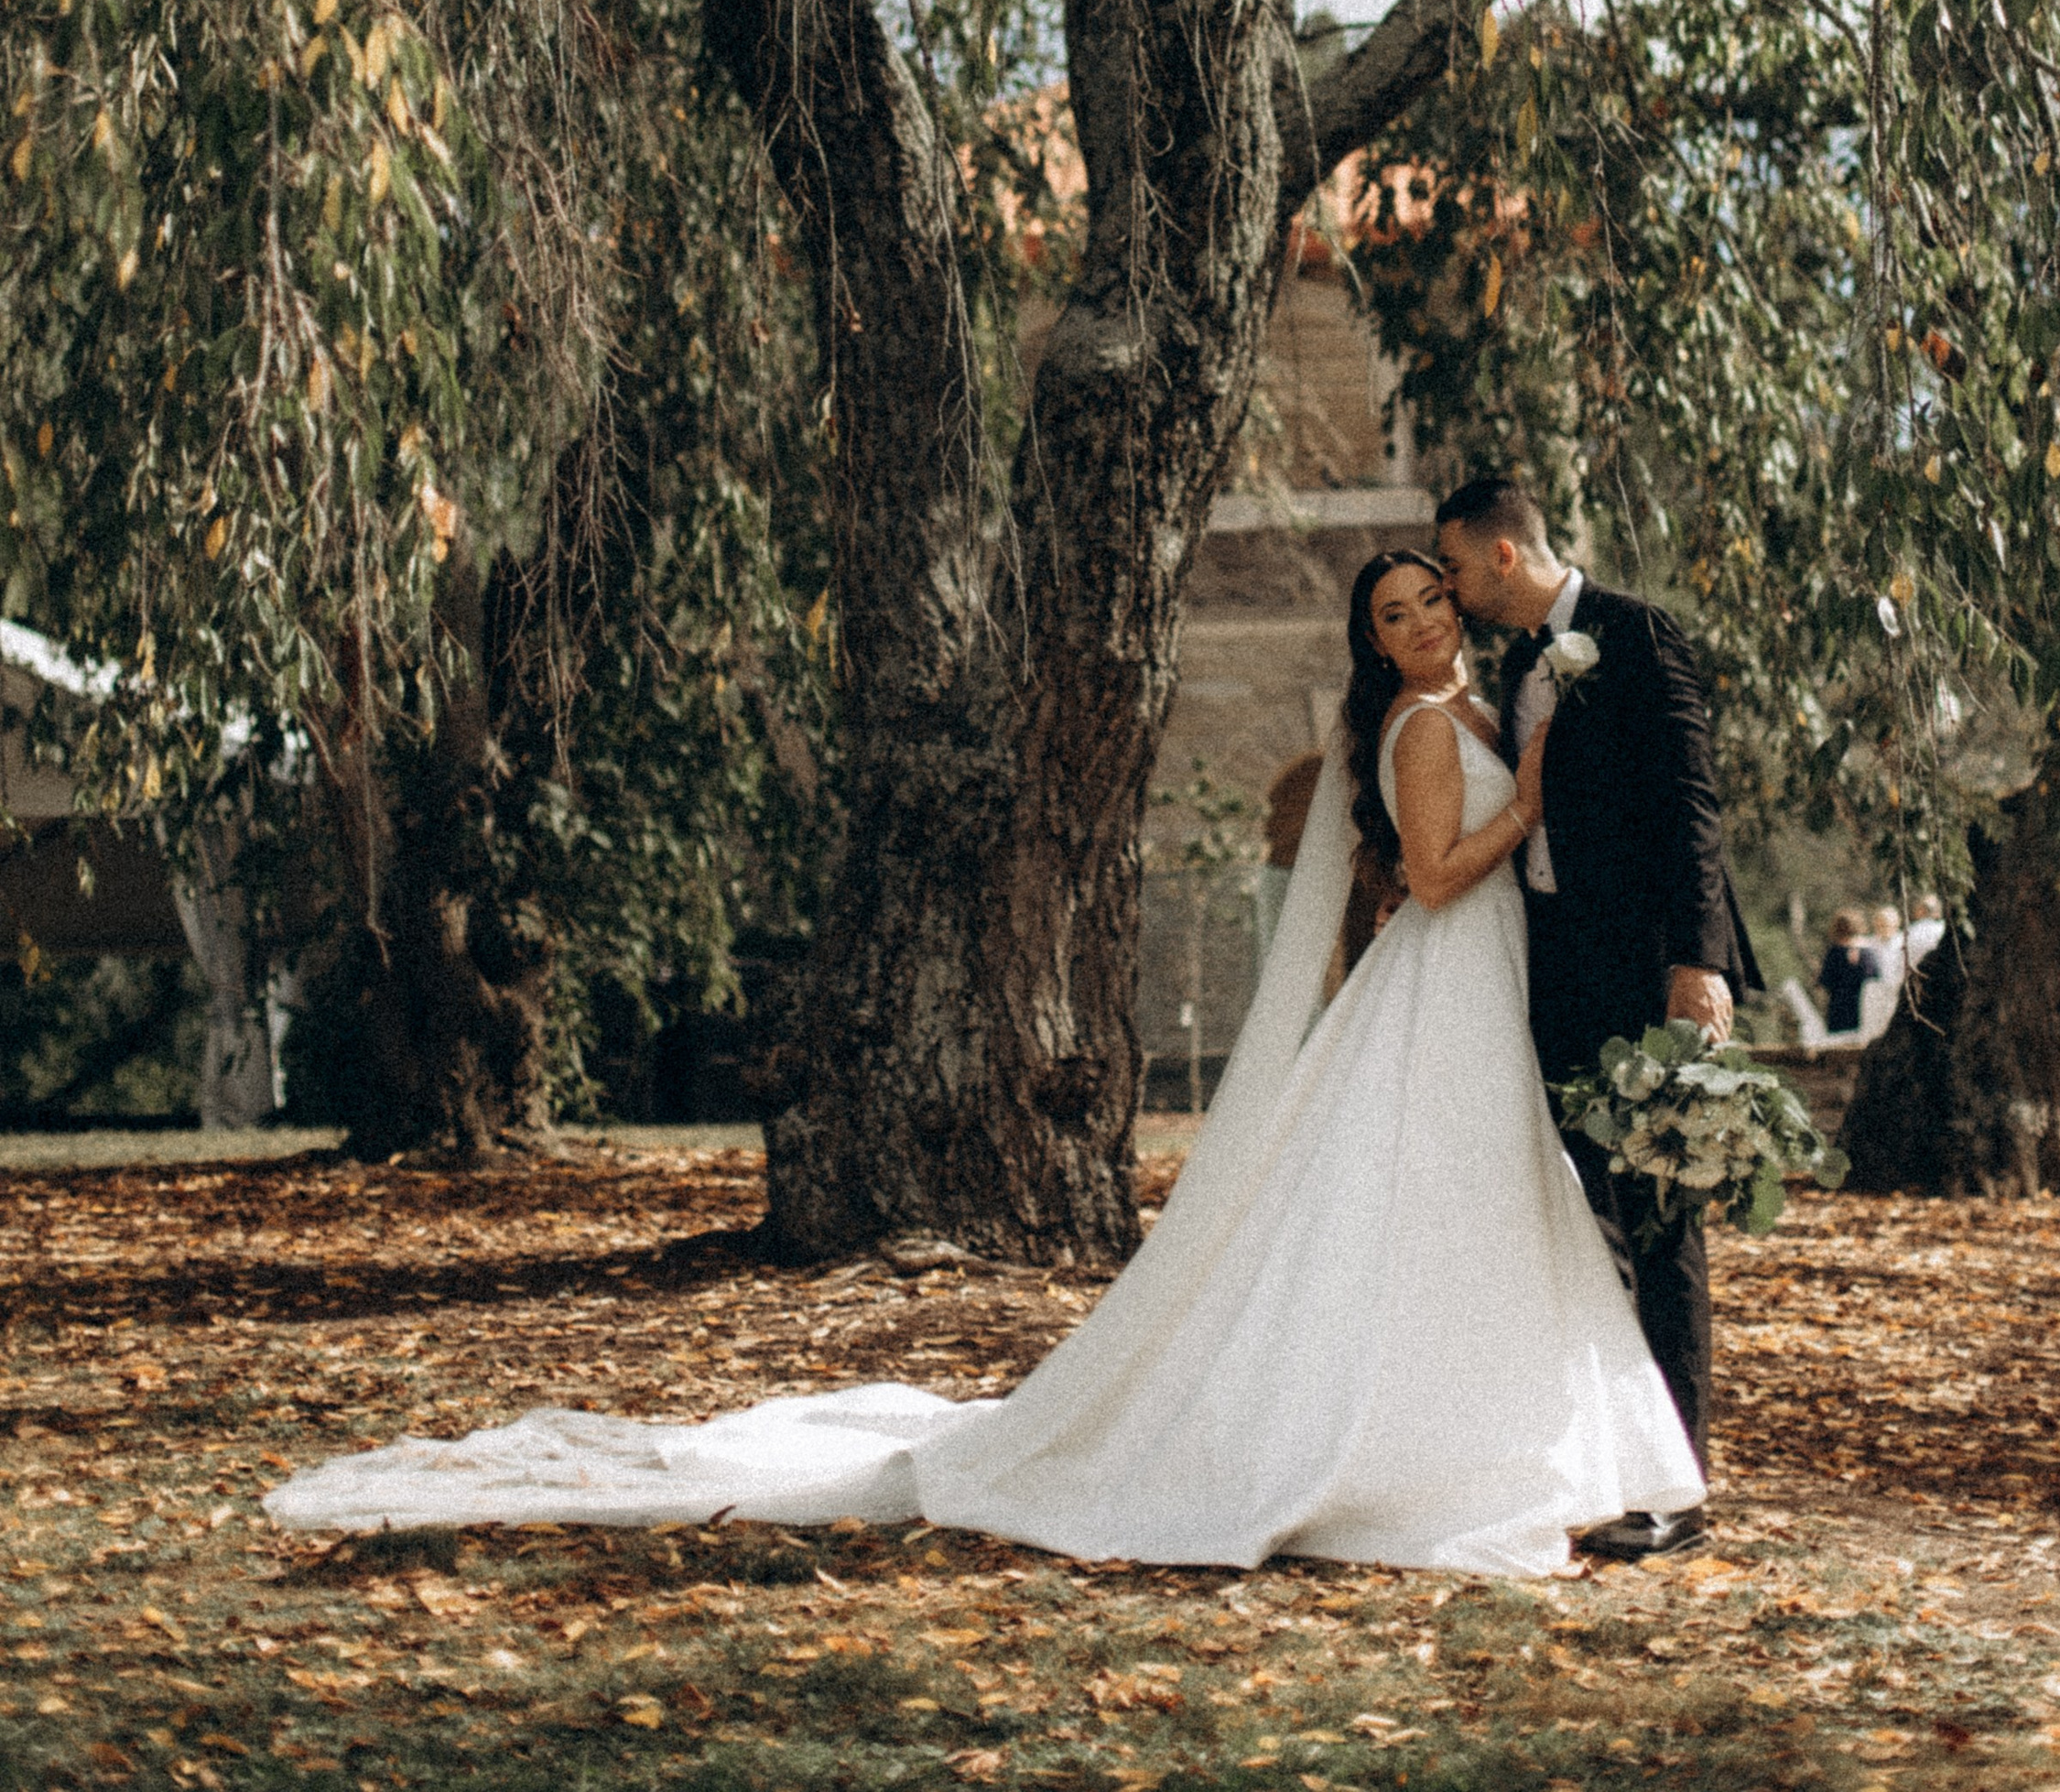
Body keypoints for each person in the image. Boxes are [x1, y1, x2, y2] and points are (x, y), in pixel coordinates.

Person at [265, 549, 1702, 1574]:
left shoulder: (1472, 703)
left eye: (1429, 599)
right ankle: (1413, 1446)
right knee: (1436, 1208)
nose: (1418, 621)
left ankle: (1499, 1433)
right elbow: (1443, 873)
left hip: (1469, 988)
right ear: (1377, 643)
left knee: (1462, 1216)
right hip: (1449, 971)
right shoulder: (1425, 726)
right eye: (1392, 614)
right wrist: (1541, 804)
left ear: (1461, 599)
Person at [1434, 472, 1761, 1561]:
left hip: (1645, 977)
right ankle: (1616, 1459)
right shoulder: (1520, 665)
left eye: (1456, 566)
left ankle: (1681, 1487)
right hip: (1557, 978)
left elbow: (1690, 807)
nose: (1450, 589)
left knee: (1663, 1227)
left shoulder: (1633, 633)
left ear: (1505, 557)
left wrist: (1694, 965)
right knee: (1596, 1227)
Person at [1817, 909, 1880, 1037]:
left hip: (1839, 1005)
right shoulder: (1868, 951)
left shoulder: (1834, 952)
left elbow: (1826, 980)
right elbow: (1874, 978)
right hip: (1863, 1004)